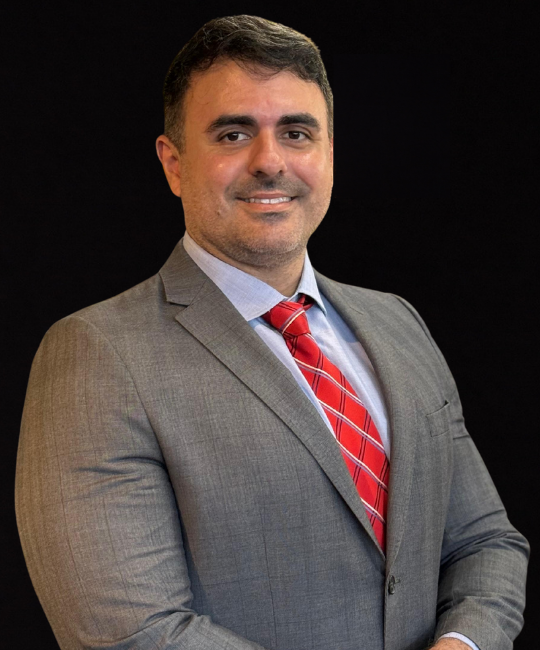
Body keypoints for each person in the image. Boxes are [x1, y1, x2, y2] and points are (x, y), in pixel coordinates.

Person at [15, 15, 528, 650]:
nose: (270, 162)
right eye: (233, 134)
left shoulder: (398, 322)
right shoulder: (97, 356)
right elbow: (131, 632)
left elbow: (485, 543)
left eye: (296, 133)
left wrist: (464, 643)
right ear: (174, 164)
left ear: (329, 155)